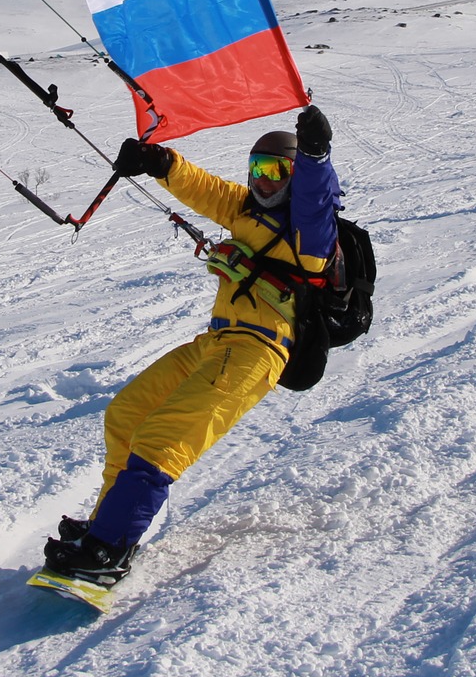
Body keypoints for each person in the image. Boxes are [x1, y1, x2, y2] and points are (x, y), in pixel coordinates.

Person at [43, 105, 342, 586]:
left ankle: (110, 550)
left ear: (293, 174)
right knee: (127, 413)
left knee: (163, 439)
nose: (263, 182)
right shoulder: (245, 209)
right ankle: (105, 524)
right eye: (256, 170)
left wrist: (315, 156)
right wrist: (159, 162)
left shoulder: (309, 233)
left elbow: (316, 198)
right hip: (218, 342)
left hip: (257, 351)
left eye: (275, 171)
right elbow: (205, 187)